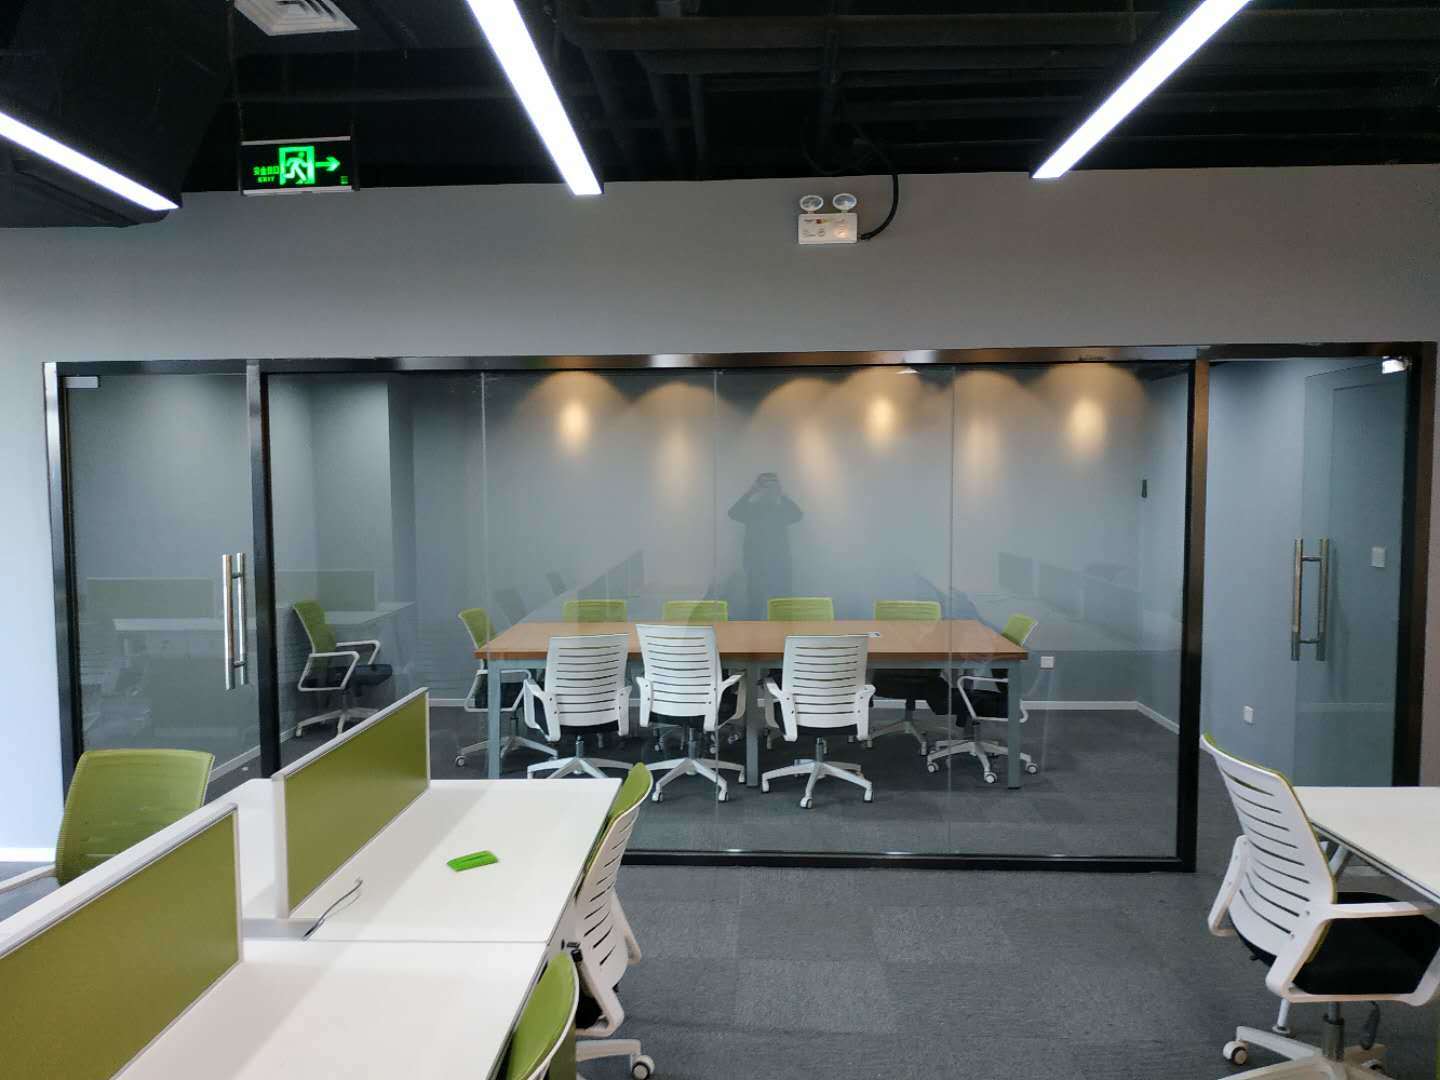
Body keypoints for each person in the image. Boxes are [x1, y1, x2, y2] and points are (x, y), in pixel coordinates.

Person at [728, 473, 803, 619]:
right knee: (755, 601)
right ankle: (754, 631)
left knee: (782, 602)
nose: (768, 489)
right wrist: (751, 492)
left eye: (772, 485)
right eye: (765, 485)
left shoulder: (780, 510)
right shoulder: (752, 510)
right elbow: (733, 513)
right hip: (756, 563)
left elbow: (798, 515)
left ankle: (783, 630)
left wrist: (782, 494)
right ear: (759, 488)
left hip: (779, 562)